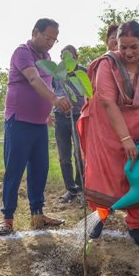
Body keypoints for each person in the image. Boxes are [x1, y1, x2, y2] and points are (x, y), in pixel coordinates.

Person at [78, 21, 139, 246]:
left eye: (134, 47)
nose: (128, 53)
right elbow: (107, 102)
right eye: (123, 46)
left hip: (138, 128)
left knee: (138, 175)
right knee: (103, 175)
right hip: (106, 130)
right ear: (116, 44)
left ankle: (135, 225)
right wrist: (124, 138)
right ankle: (99, 218)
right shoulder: (107, 64)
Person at [0, 18, 72, 235]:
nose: (50, 43)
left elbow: (46, 84)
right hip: (19, 121)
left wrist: (47, 113)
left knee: (40, 170)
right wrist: (55, 99)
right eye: (47, 37)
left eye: (54, 40)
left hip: (39, 124)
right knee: (15, 169)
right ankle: (7, 217)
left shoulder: (47, 57)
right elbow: (33, 79)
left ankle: (37, 214)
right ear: (35, 32)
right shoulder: (22, 52)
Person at [53, 45, 85, 203]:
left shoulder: (83, 72)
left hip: (79, 116)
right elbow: (50, 92)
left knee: (79, 153)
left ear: (76, 57)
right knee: (64, 156)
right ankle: (70, 190)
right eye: (62, 56)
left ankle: (81, 188)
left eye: (68, 56)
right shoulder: (56, 74)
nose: (65, 59)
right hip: (60, 117)